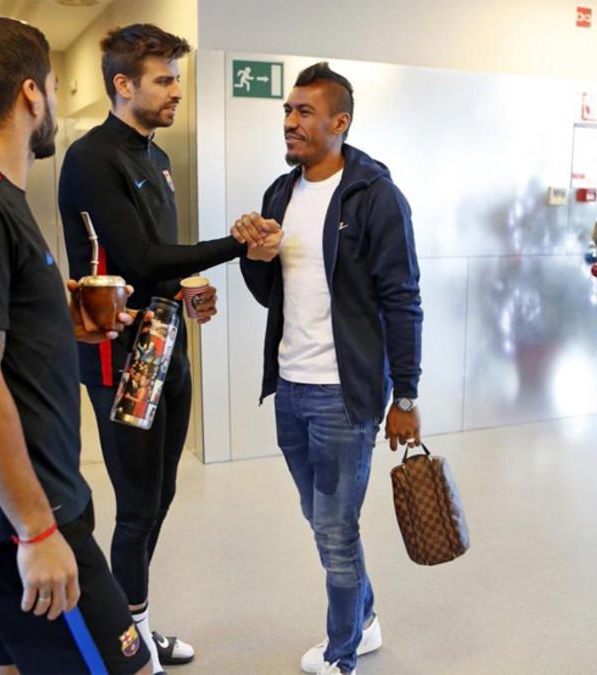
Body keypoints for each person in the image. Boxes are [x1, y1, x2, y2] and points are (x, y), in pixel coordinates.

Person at [0, 16, 152, 674]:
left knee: (8, 667)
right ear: (31, 94)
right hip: (20, 512)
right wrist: (38, 531)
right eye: (54, 87)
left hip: (11, 505)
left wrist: (62, 318)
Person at [57, 23, 280, 672]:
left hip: (165, 342)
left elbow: (163, 264)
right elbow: (140, 256)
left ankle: (137, 622)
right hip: (118, 354)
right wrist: (237, 244)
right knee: (133, 507)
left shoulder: (156, 157)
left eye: (177, 78)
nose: (176, 91)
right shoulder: (93, 158)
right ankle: (125, 644)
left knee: (162, 495)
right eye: (163, 79)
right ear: (123, 85)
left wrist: (190, 286)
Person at [238, 62, 424, 675]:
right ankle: (365, 618)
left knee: (336, 533)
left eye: (304, 112)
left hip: (346, 397)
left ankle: (343, 654)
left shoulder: (377, 197)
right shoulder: (279, 193)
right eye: (288, 111)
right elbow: (270, 294)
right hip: (290, 390)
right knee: (321, 523)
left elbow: (403, 298)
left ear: (339, 122)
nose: (290, 122)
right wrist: (254, 255)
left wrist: (406, 394)